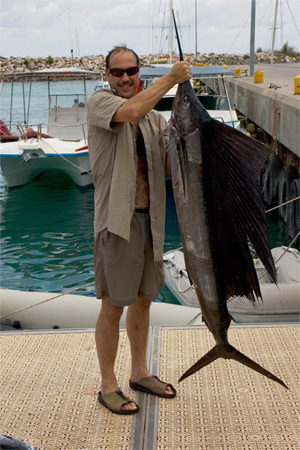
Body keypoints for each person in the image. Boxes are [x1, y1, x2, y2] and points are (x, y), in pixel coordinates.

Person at [87, 44, 191, 415]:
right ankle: (108, 385)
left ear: (139, 73)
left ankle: (139, 372)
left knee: (145, 300)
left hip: (152, 222)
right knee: (113, 306)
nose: (126, 77)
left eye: (131, 71)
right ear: (108, 76)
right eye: (118, 72)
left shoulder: (156, 121)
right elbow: (129, 111)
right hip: (118, 223)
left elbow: (169, 167)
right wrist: (172, 79)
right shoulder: (101, 102)